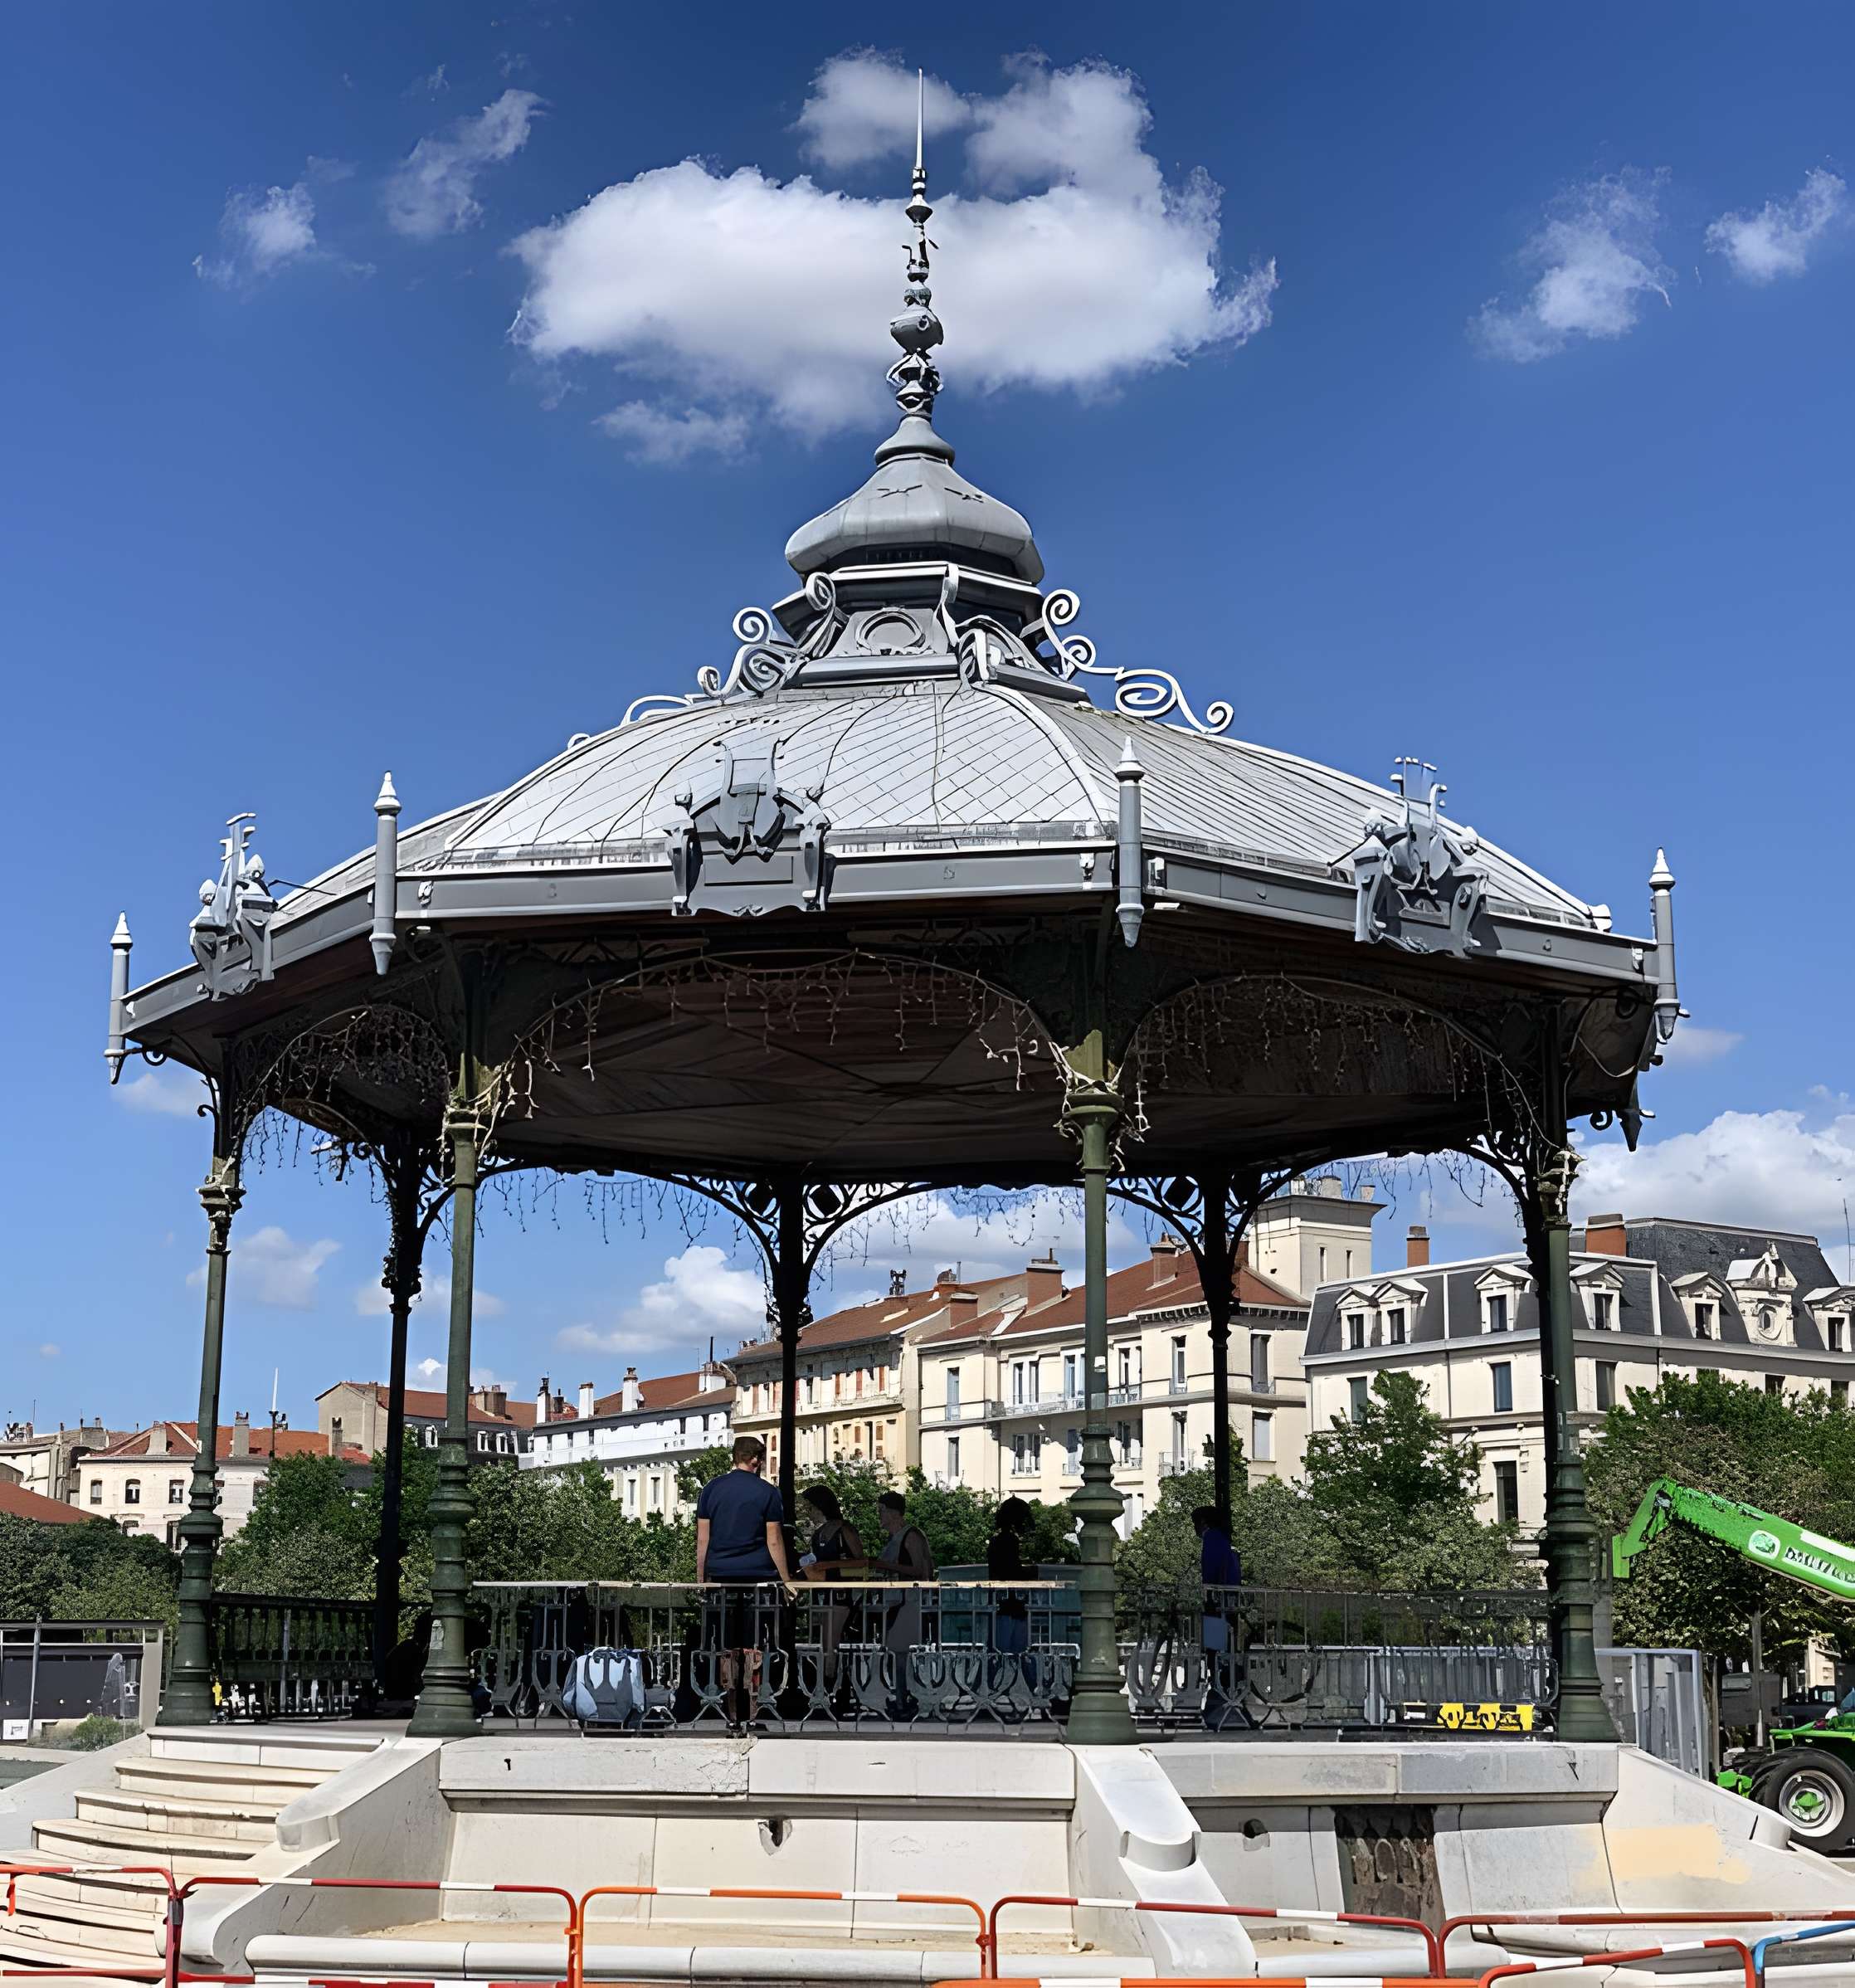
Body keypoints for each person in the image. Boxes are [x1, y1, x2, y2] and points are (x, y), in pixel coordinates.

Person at [695, 1436, 792, 1728]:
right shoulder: (768, 1493)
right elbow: (774, 1540)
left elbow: (703, 1540)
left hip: (721, 1578)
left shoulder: (711, 1490)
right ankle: (749, 1712)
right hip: (757, 1578)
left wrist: (701, 1579)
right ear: (756, 1460)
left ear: (735, 1457)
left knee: (727, 1646)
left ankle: (731, 1711)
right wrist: (786, 1580)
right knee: (753, 1646)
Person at [798, 1484, 864, 1704]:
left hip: (841, 1594)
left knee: (831, 1642)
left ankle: (834, 1686)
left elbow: (860, 1561)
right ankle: (830, 1686)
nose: (808, 1512)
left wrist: (827, 1566)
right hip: (822, 1594)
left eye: (810, 1507)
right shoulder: (818, 1534)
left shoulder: (844, 1530)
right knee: (824, 1642)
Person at [873, 1489, 934, 1718]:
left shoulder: (911, 1536)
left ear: (894, 1513)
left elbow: (920, 1570)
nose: (879, 1516)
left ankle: (903, 1700)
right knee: (896, 1652)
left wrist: (885, 1566)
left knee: (900, 1653)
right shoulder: (897, 1538)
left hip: (909, 1601)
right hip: (896, 1602)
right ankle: (900, 1698)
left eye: (881, 1511)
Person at [1192, 1504, 1243, 1730]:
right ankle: (1222, 1690)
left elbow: (1210, 1570)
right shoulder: (1222, 1539)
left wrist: (1207, 1595)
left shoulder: (1211, 1539)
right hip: (1227, 1602)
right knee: (1223, 1648)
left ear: (1203, 1522)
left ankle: (1220, 1692)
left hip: (1217, 1604)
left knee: (1214, 1650)